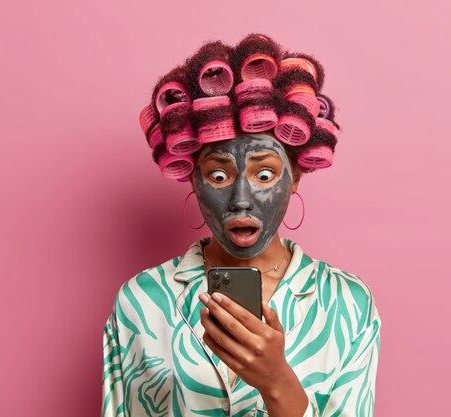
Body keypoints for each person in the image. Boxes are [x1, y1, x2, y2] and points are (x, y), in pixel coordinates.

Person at [102, 34, 381, 417]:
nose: (241, 199)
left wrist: (277, 382)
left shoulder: (346, 303)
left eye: (264, 174)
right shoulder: (141, 303)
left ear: (296, 176)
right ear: (192, 179)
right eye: (218, 176)